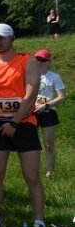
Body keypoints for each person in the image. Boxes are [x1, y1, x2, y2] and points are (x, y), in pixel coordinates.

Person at [0, 24, 47, 227]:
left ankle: (39, 223)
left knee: (31, 175)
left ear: (12, 39)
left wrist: (15, 122)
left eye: (2, 38)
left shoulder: (29, 61)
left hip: (24, 123)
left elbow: (31, 94)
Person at [33, 49, 66, 178]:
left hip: (48, 112)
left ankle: (49, 172)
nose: (39, 62)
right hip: (32, 112)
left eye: (42, 60)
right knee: (32, 144)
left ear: (49, 62)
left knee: (48, 144)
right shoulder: (30, 75)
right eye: (37, 60)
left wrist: (46, 105)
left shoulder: (54, 77)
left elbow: (61, 97)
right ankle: (33, 171)